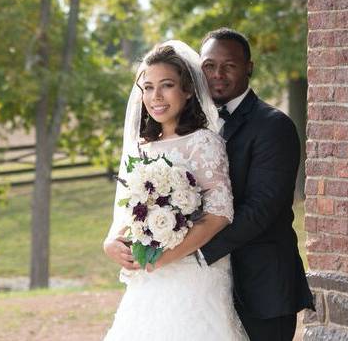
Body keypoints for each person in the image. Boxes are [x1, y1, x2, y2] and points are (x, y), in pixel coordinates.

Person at [103, 41, 248, 340]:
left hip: (194, 275)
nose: (155, 96)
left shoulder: (204, 142)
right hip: (147, 281)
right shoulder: (140, 150)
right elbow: (126, 214)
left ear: (188, 90)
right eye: (148, 87)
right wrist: (110, 243)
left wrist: (165, 258)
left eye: (166, 85)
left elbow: (219, 214)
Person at [198, 28, 314, 341]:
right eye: (209, 65)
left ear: (249, 67)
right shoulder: (194, 126)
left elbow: (262, 209)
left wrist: (196, 251)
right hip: (209, 288)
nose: (218, 74)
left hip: (263, 287)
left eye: (229, 65)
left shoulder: (273, 125)